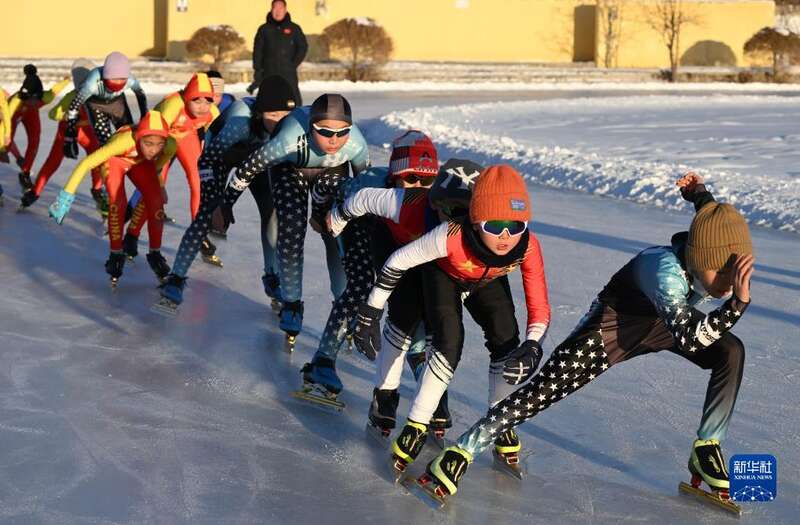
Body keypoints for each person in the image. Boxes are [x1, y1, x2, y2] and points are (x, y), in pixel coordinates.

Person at [419, 173, 753, 503]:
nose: (728, 282)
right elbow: (692, 340)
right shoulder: (663, 270)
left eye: (732, 271)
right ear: (697, 259)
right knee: (540, 393)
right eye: (721, 272)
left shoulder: (707, 249)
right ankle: (461, 452)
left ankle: (706, 448)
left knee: (730, 351)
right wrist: (736, 305)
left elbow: (713, 224)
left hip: (665, 323)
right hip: (611, 330)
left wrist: (699, 194)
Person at [352, 165, 551, 476]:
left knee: (507, 338)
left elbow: (538, 304)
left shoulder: (528, 246)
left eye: (516, 225)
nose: (505, 236)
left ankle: (500, 420)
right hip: (443, 275)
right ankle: (416, 424)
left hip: (485, 280)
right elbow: (397, 260)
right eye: (495, 225)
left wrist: (534, 344)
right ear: (476, 220)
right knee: (449, 342)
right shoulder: (450, 235)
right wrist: (371, 310)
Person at [219, 93, 369, 347]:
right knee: (292, 229)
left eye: (342, 132)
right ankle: (291, 303)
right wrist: (226, 204)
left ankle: (345, 304)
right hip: (289, 168)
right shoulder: (286, 140)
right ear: (311, 128)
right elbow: (247, 170)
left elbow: (367, 189)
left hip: (332, 171)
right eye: (325, 132)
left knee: (336, 233)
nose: (334, 140)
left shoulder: (356, 144)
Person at [156, 75, 299, 311]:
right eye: (272, 115)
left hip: (258, 159)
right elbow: (207, 160)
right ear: (259, 113)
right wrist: (219, 202)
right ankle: (176, 278)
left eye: (284, 115)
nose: (279, 122)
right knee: (206, 213)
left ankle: (272, 276)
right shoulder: (240, 122)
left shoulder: (290, 125)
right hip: (222, 156)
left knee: (272, 212)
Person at [48, 111, 176, 286]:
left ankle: (155, 253)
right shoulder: (124, 141)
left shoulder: (170, 145)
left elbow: (157, 165)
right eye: (148, 144)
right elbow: (86, 163)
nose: (154, 150)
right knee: (118, 203)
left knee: (155, 201)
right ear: (138, 138)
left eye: (159, 144)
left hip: (140, 162)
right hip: (115, 160)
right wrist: (64, 199)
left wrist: (157, 185)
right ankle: (116, 253)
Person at [122, 73, 220, 262]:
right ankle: (131, 236)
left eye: (207, 101)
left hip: (185, 137)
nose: (202, 107)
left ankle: (199, 232)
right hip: (160, 140)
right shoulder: (173, 106)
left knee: (199, 182)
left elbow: (219, 139)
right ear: (186, 98)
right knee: (153, 191)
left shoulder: (212, 113)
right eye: (196, 100)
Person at [20, 59, 107, 214]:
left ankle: (97, 190)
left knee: (98, 158)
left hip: (85, 132)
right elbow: (53, 114)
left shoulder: (98, 95)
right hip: (68, 131)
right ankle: (35, 191)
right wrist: (67, 116)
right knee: (54, 161)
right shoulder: (73, 96)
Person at [63, 51, 147, 157]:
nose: (118, 83)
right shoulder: (91, 84)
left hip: (117, 103)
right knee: (106, 143)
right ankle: (111, 162)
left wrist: (144, 116)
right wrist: (70, 136)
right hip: (96, 105)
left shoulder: (130, 79)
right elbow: (74, 106)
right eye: (113, 79)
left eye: (122, 79)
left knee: (128, 136)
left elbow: (140, 95)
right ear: (104, 77)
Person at [5, 64, 70, 191]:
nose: (32, 103)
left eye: (35, 100)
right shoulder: (15, 102)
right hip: (13, 115)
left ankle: (25, 173)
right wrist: (7, 151)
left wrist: (66, 81)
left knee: (35, 141)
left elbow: (54, 90)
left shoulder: (45, 97)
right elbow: (5, 129)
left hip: (31, 114)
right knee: (5, 143)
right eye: (29, 100)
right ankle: (17, 158)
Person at [249, 0, 307, 103]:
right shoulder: (264, 29)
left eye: (280, 8)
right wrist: (258, 70)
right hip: (268, 71)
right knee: (266, 101)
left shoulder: (294, 28)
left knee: (293, 101)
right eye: (275, 8)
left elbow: (303, 47)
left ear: (285, 10)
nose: (278, 11)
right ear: (271, 10)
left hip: (288, 72)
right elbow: (257, 52)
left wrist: (293, 64)